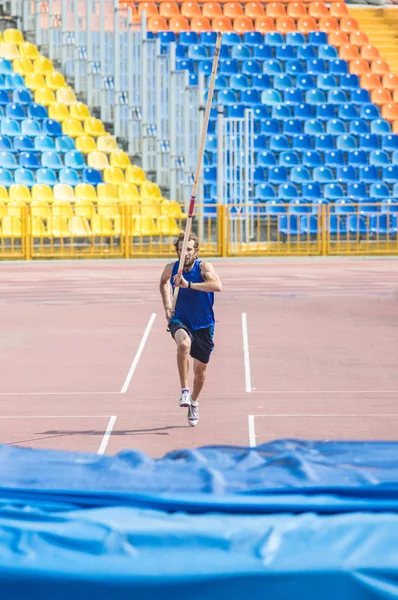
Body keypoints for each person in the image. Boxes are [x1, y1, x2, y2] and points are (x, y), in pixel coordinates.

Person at [159, 232, 222, 427]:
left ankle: (194, 401)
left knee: (200, 370)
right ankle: (184, 391)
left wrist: (189, 285)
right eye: (181, 249)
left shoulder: (204, 267)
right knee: (183, 344)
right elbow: (162, 283)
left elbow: (217, 286)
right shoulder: (171, 268)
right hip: (180, 318)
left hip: (204, 323)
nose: (184, 253)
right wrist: (168, 306)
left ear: (196, 251)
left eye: (188, 249)